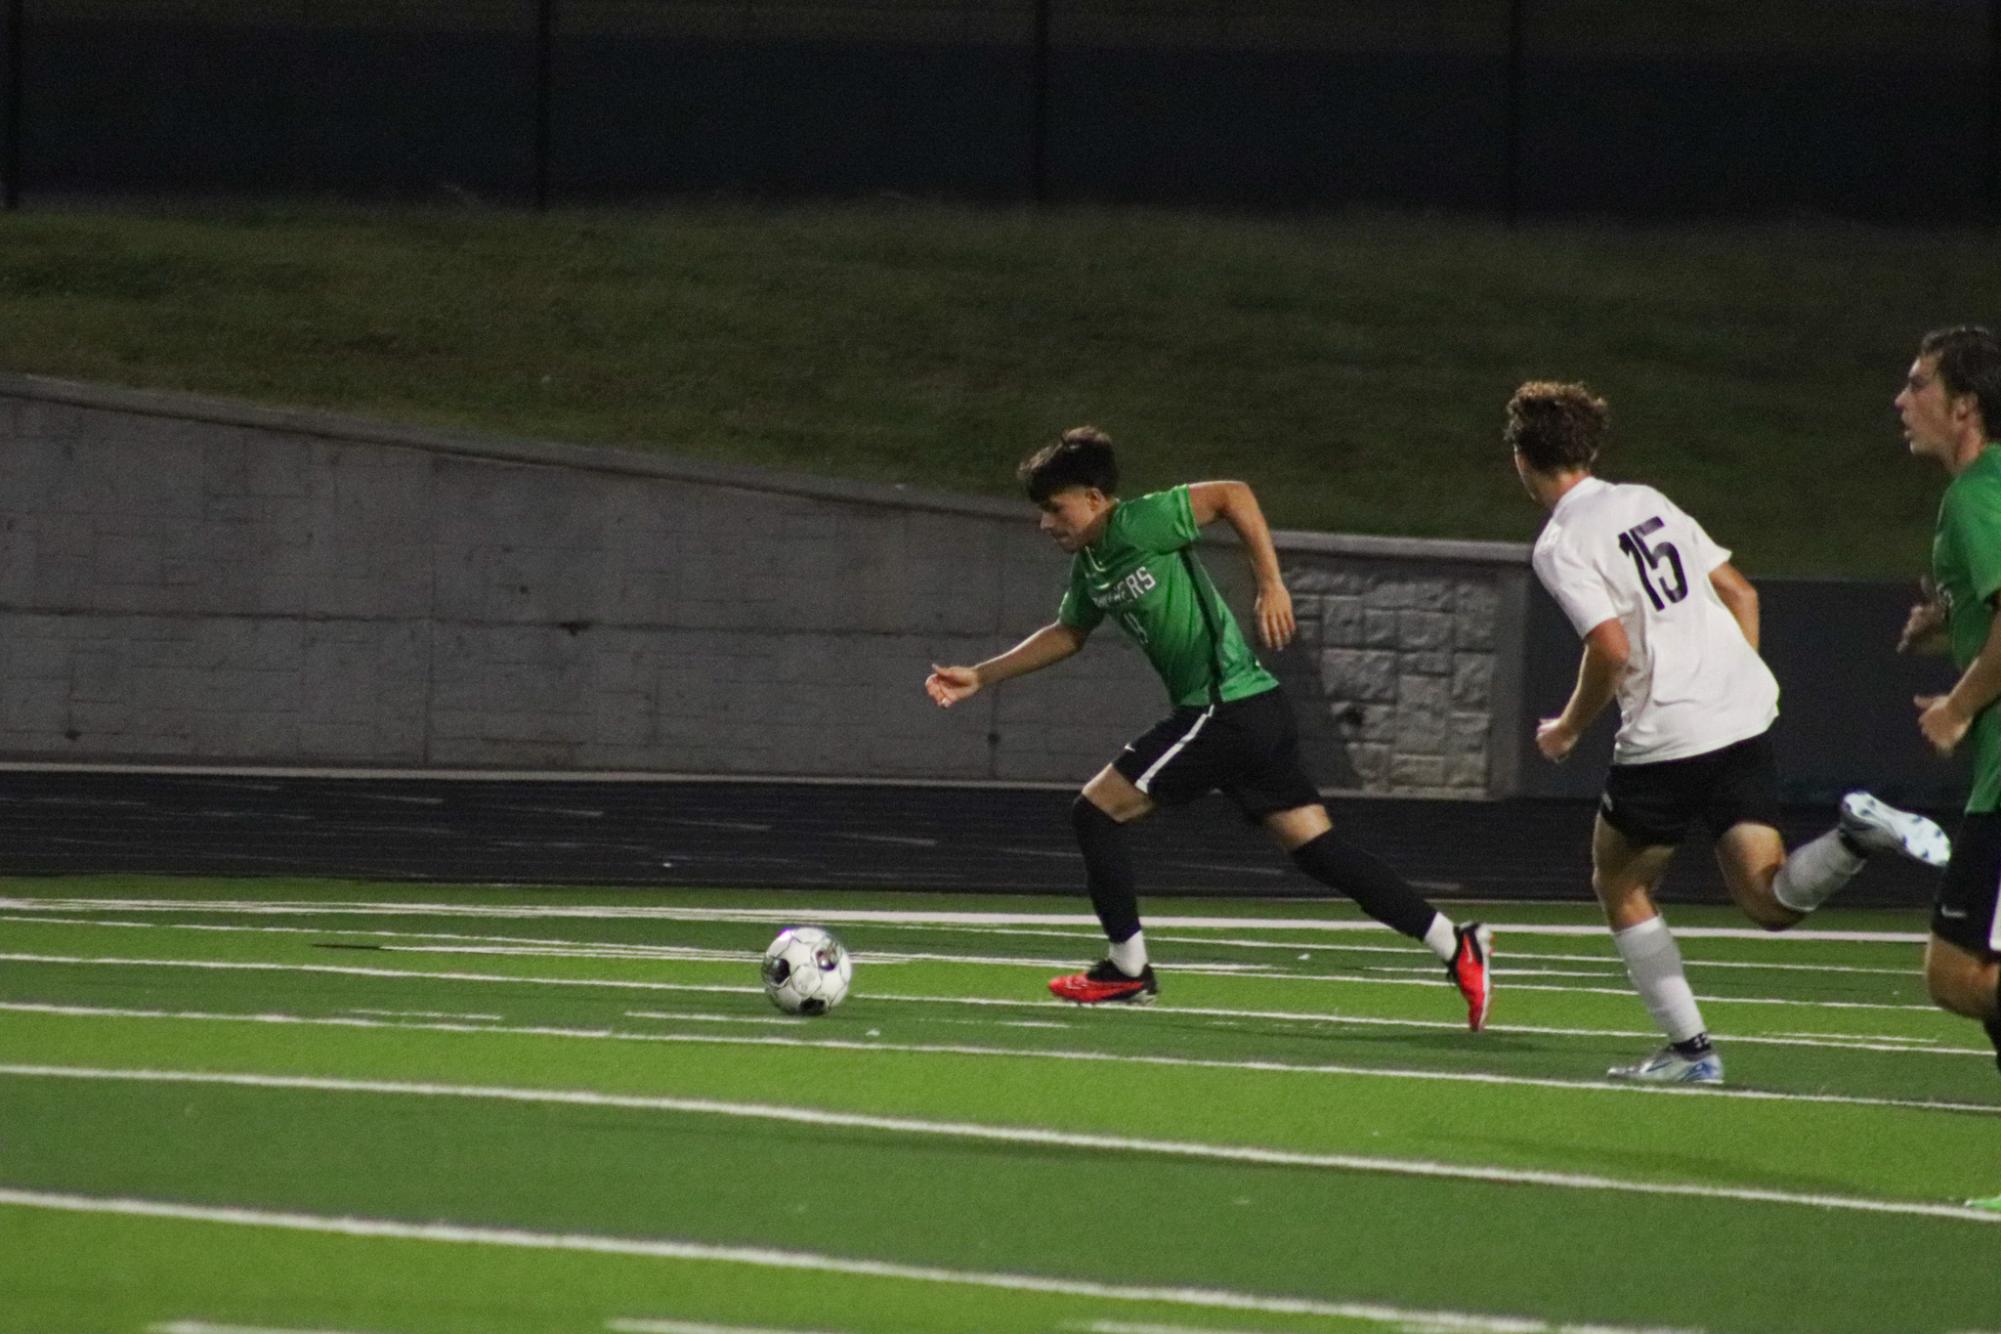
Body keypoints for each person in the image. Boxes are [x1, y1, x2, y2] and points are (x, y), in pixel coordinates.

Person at [923, 426, 1494, 1028]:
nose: (1046, 524)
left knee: (1095, 812)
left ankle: (1127, 970)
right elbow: (1068, 633)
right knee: (1319, 851)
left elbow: (1233, 495)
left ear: (1095, 498)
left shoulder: (1139, 522)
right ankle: (1456, 944)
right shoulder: (1092, 564)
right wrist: (981, 676)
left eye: (1054, 508)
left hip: (1226, 710)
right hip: (1247, 713)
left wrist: (1271, 583)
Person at [1509, 380, 1949, 1085]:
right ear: (1587, 448)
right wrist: (1726, 680)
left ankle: (1691, 1053)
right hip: (1741, 711)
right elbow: (1741, 592)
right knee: (1768, 900)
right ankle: (1853, 836)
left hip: (1668, 735)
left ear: (1522, 461)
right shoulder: (1645, 499)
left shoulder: (1560, 541)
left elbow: (1611, 647)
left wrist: (1565, 728)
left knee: (1617, 880)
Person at [1890, 326, 2001, 1120]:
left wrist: (1957, 708)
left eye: (1918, 384)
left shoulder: (1975, 496)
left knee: (1955, 972)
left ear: (1964, 405)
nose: (1901, 400)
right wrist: (1948, 615)